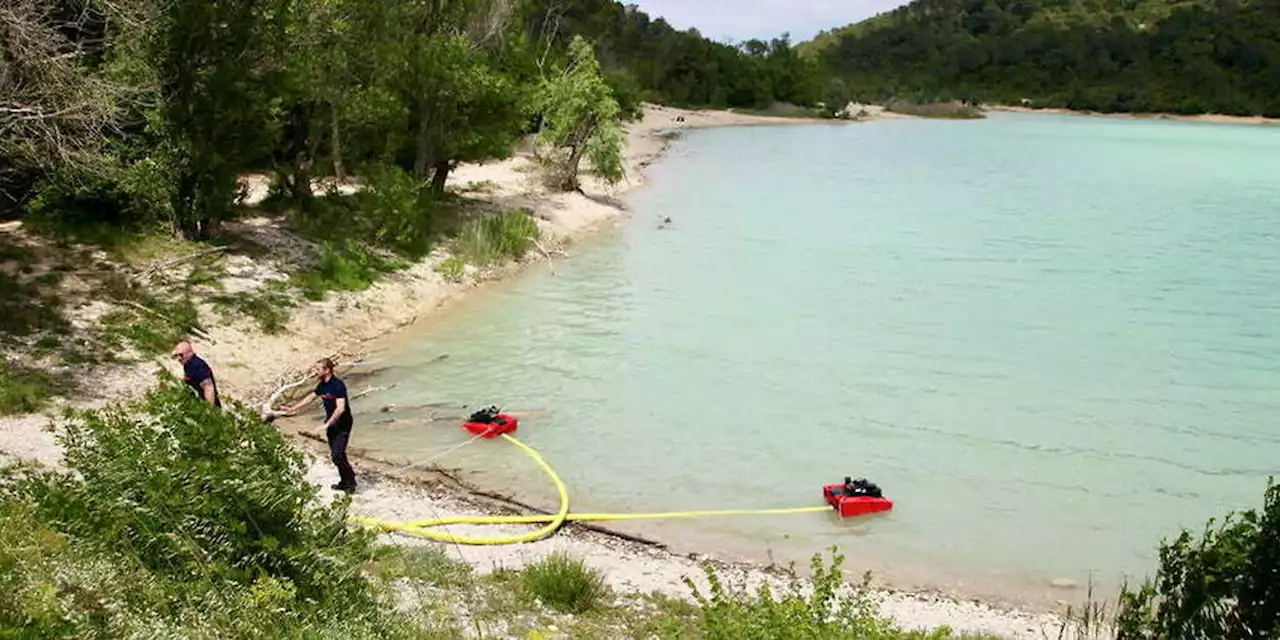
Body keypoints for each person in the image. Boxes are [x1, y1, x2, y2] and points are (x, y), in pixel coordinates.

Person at [281, 358, 357, 492]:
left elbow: (340, 409)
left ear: (327, 370)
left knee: (337, 455)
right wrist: (292, 408)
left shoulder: (338, 385)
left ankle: (350, 483)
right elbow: (310, 397)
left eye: (317, 369)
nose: (314, 372)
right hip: (331, 423)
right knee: (337, 456)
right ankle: (346, 481)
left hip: (343, 424)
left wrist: (326, 425)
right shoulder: (323, 385)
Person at [171, 340, 221, 408]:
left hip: (207, 406)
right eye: (177, 355)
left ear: (190, 353)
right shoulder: (188, 364)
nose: (179, 358)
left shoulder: (198, 366)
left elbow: (209, 388)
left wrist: (209, 410)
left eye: (181, 355)